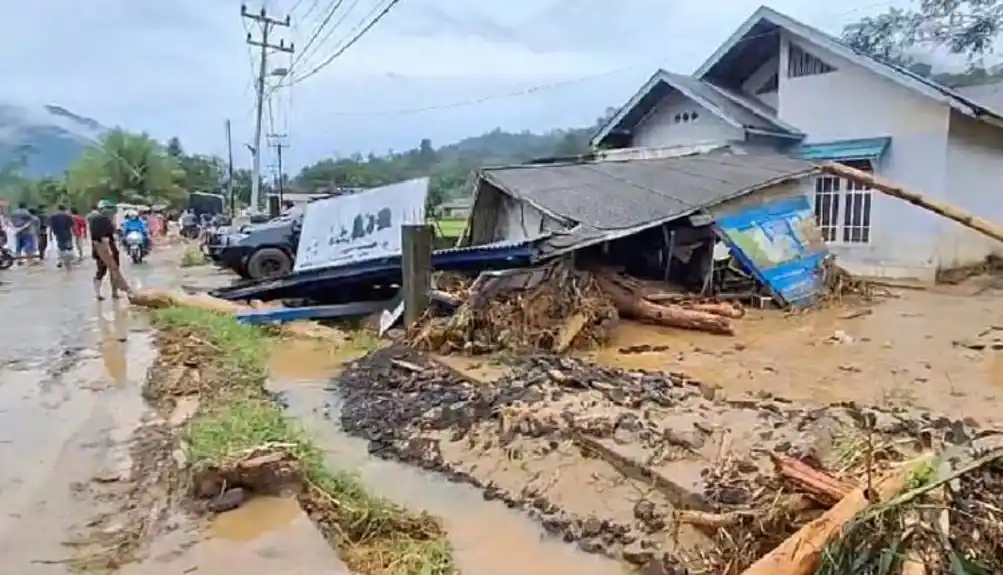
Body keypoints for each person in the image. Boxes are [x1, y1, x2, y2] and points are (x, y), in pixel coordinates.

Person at [88, 200, 127, 300]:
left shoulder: (107, 219)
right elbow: (96, 236)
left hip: (108, 248)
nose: (109, 211)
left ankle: (113, 292)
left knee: (111, 270)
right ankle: (100, 293)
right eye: (107, 209)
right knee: (103, 270)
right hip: (104, 249)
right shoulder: (99, 219)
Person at [49, 204, 75, 268]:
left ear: (58, 209)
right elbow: (72, 226)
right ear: (64, 209)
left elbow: (51, 227)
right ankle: (68, 261)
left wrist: (50, 235)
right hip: (67, 234)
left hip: (58, 234)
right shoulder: (68, 216)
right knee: (69, 248)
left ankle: (60, 261)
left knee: (60, 248)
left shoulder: (54, 216)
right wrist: (74, 234)